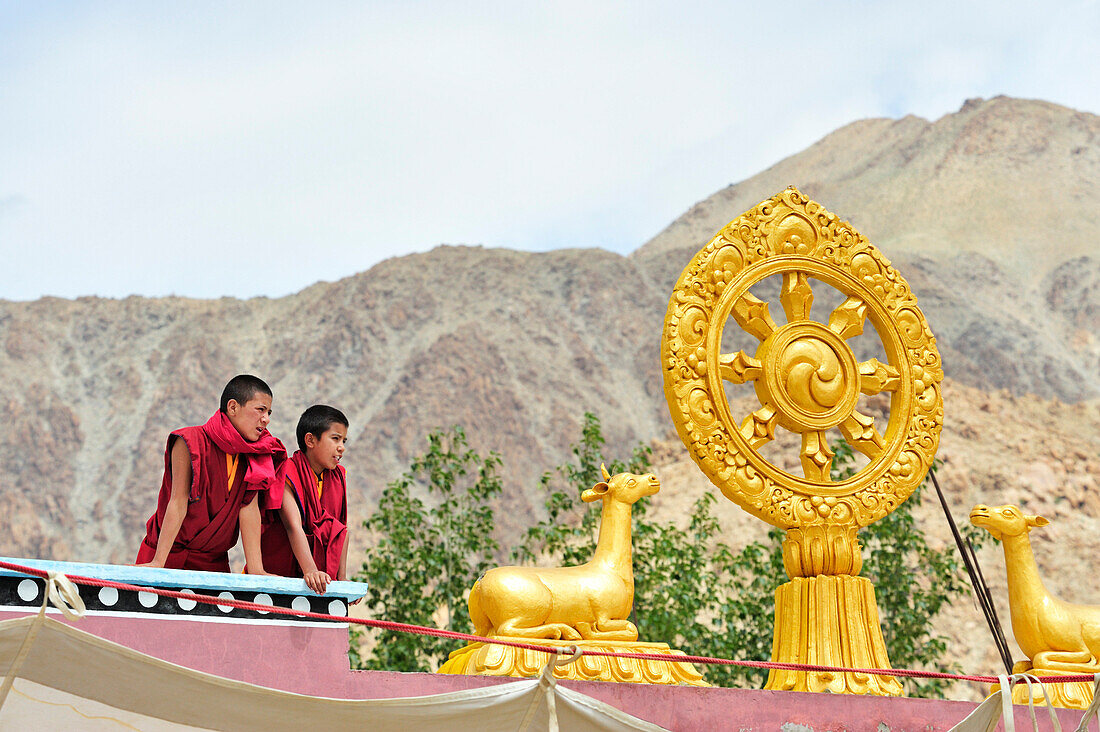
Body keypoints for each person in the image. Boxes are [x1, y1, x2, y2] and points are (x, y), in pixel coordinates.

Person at [135, 374, 288, 573]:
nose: (266, 419)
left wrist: (257, 571)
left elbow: (249, 509)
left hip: (211, 564)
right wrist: (158, 563)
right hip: (167, 556)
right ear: (233, 407)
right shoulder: (190, 441)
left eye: (269, 412)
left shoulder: (256, 453)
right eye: (260, 409)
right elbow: (178, 501)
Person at [260, 404, 349, 594]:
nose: (341, 448)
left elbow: (339, 530)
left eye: (344, 441)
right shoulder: (286, 472)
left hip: (321, 581)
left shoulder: (338, 476)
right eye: (335, 439)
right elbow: (293, 525)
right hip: (281, 577)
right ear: (310, 440)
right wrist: (311, 571)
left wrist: (342, 579)